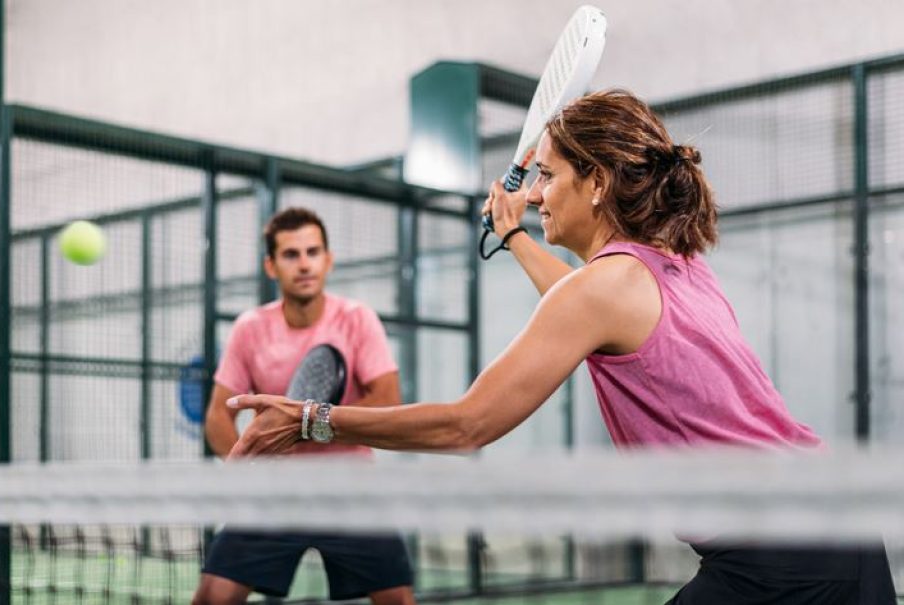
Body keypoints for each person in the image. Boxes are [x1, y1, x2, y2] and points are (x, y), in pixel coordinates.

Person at [225, 91, 897, 604]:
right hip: (841, 530)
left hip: (777, 557)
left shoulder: (605, 289)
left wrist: (312, 419)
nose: (538, 193)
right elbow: (579, 304)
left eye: (548, 175)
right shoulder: (674, 261)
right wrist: (516, 235)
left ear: (597, 182)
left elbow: (467, 424)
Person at [192, 207, 415, 605]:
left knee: (397, 600)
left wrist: (305, 424)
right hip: (275, 495)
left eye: (313, 252)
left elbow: (387, 400)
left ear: (328, 260)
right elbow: (217, 415)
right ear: (271, 266)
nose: (305, 264)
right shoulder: (250, 328)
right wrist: (246, 469)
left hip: (351, 491)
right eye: (291, 255)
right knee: (212, 596)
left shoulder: (356, 319)